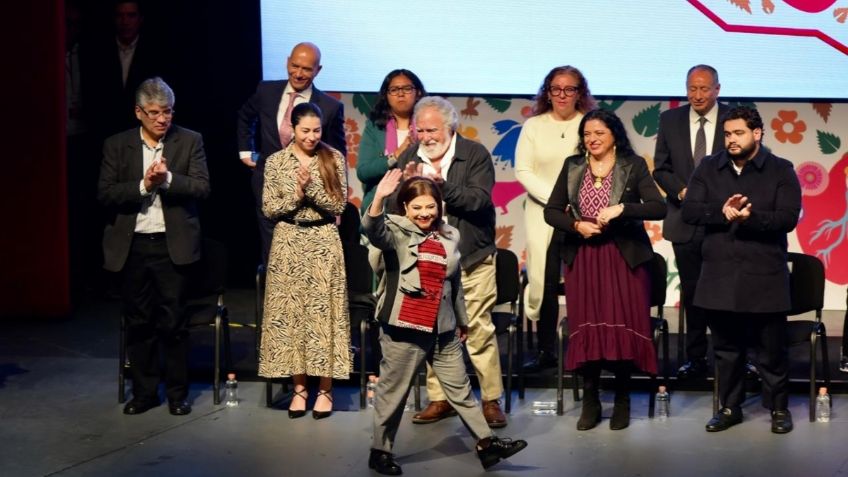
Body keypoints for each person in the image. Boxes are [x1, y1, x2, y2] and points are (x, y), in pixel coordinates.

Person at [364, 171, 527, 475]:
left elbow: (453, 282)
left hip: (443, 326)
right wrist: (379, 199)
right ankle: (380, 450)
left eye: (430, 206)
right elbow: (372, 230)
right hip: (405, 327)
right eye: (417, 208)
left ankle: (486, 445)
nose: (424, 213)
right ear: (405, 208)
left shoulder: (450, 234)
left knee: (461, 390)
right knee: (393, 392)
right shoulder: (395, 230)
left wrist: (461, 320)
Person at [544, 109, 666, 430]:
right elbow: (551, 211)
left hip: (623, 256)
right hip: (583, 257)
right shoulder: (573, 167)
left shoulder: (633, 165)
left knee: (620, 325)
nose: (592, 139)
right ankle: (591, 400)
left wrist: (623, 208)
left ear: (614, 135)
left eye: (599, 133)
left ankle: (623, 399)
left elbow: (658, 207)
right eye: (587, 134)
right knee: (589, 327)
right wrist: (575, 226)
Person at [681, 106, 801, 434]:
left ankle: (778, 408)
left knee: (771, 350)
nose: (731, 140)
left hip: (765, 275)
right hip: (720, 274)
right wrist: (721, 213)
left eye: (739, 133)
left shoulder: (780, 170)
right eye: (727, 134)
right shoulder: (709, 167)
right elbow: (690, 210)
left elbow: (789, 217)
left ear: (757, 134)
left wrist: (752, 218)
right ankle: (729, 407)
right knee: (726, 350)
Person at [98, 77, 210, 416]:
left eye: (168, 112)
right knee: (139, 322)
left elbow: (203, 188)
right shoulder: (117, 146)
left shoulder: (189, 141)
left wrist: (169, 180)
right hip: (132, 248)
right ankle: (145, 393)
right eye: (154, 113)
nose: (162, 119)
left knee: (173, 323)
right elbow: (105, 194)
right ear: (138, 112)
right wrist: (144, 185)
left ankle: (177, 394)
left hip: (171, 246)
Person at [393, 96, 507, 428]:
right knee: (434, 329)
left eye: (432, 129)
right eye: (421, 130)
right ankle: (439, 398)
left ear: (450, 127)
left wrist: (444, 188)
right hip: (428, 262)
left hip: (472, 257)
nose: (426, 136)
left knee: (478, 329)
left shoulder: (474, 154)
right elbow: (394, 205)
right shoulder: (410, 157)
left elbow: (479, 200)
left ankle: (490, 399)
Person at [257, 102, 349, 420]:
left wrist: (310, 191)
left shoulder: (333, 158)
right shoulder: (276, 162)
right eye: (305, 131)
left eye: (317, 130)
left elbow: (339, 205)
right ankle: (299, 389)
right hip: (288, 241)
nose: (311, 137)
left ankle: (324, 389)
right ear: (292, 129)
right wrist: (295, 195)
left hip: (323, 241)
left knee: (324, 317)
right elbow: (269, 208)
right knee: (292, 317)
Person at [515, 65, 596, 373]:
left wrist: (575, 204)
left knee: (583, 282)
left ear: (580, 93)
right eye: (556, 89)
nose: (562, 95)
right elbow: (523, 170)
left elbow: (597, 165)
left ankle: (584, 348)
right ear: (547, 92)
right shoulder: (533, 126)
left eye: (570, 89)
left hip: (582, 213)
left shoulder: (589, 125)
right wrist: (555, 201)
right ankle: (547, 350)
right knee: (544, 282)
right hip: (543, 213)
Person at [237, 42, 347, 265]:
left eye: (306, 69)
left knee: (308, 261)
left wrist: (334, 199)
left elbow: (337, 155)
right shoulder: (266, 91)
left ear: (318, 70)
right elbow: (246, 115)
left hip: (312, 194)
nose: (298, 73)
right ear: (287, 62)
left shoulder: (330, 107)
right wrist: (246, 151)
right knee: (273, 255)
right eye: (294, 66)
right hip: (270, 188)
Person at [653, 65, 729, 380]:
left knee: (729, 292)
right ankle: (696, 357)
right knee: (694, 292)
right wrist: (682, 191)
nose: (697, 95)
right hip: (684, 219)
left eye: (704, 88)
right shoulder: (669, 120)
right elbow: (661, 168)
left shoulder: (733, 120)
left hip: (723, 223)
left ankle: (735, 356)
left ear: (717, 89)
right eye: (692, 88)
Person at [357, 69, 426, 216]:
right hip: (381, 209)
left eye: (407, 88)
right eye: (394, 90)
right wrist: (396, 155)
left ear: (418, 92)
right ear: (386, 96)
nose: (401, 94)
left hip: (421, 208)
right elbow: (363, 172)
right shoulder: (375, 127)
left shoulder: (428, 126)